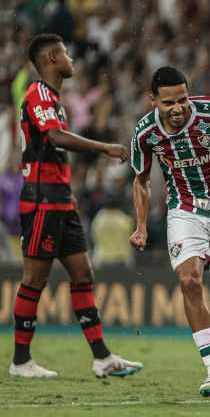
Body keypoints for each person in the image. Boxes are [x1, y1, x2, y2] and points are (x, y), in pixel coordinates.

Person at [11, 33, 142, 379]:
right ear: (52, 58)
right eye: (67, 54)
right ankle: (21, 360)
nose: (72, 60)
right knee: (35, 279)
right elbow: (54, 138)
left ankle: (102, 357)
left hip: (59, 201)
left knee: (83, 273)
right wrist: (103, 147)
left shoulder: (54, 98)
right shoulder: (38, 94)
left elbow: (54, 147)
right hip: (41, 202)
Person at [129, 66, 210, 397]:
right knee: (189, 280)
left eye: (183, 100)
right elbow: (142, 180)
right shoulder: (144, 133)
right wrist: (142, 225)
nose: (178, 109)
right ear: (153, 101)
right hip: (184, 210)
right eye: (169, 103)